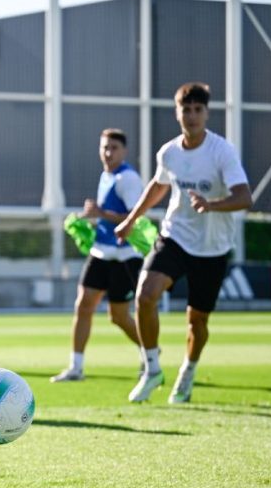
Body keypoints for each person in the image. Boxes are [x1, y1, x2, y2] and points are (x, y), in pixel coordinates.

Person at [116, 82, 253, 404]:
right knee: (145, 295)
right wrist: (131, 219)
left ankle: (188, 372)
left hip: (212, 247)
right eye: (186, 109)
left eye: (197, 110)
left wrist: (212, 205)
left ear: (206, 113)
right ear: (177, 113)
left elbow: (245, 196)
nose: (192, 116)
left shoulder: (222, 151)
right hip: (174, 236)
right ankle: (152, 368)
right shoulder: (170, 152)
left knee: (197, 321)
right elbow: (158, 185)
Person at [51, 129, 143, 382]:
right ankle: (75, 367)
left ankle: (149, 353)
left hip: (125, 256)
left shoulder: (128, 178)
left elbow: (137, 217)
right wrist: (88, 223)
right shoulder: (106, 176)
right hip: (101, 252)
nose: (108, 152)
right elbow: (107, 215)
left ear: (123, 151)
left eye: (113, 147)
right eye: (104, 147)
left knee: (119, 316)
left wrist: (101, 213)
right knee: (83, 305)